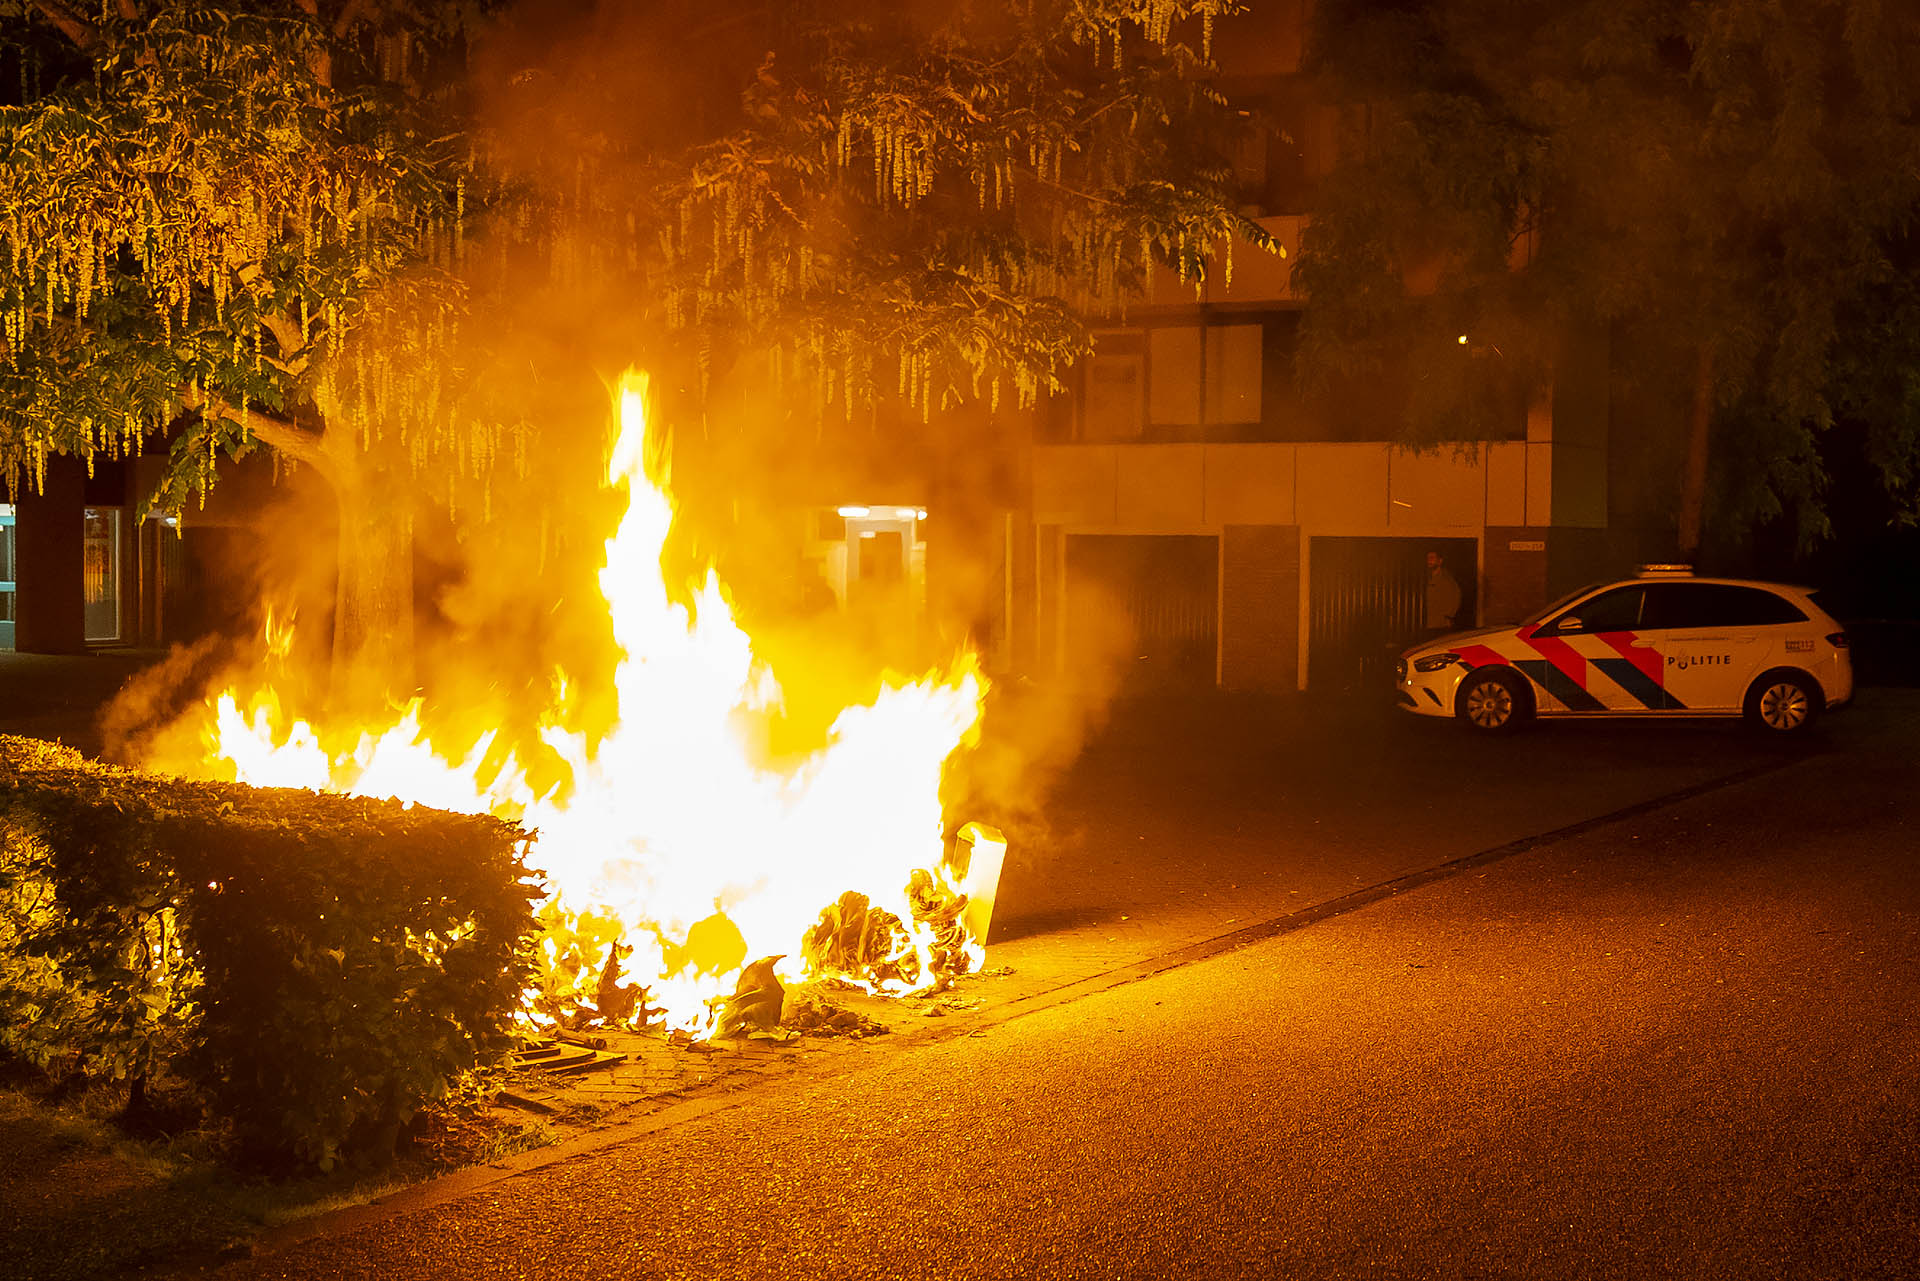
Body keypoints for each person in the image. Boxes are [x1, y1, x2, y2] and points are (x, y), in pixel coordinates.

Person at [1425, 549, 1462, 637]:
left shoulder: (1446, 578)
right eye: (1428, 558)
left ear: (1440, 561)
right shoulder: (1429, 577)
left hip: (1442, 624)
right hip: (1430, 622)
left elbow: (1456, 596)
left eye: (1432, 558)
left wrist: (1449, 616)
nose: (1429, 560)